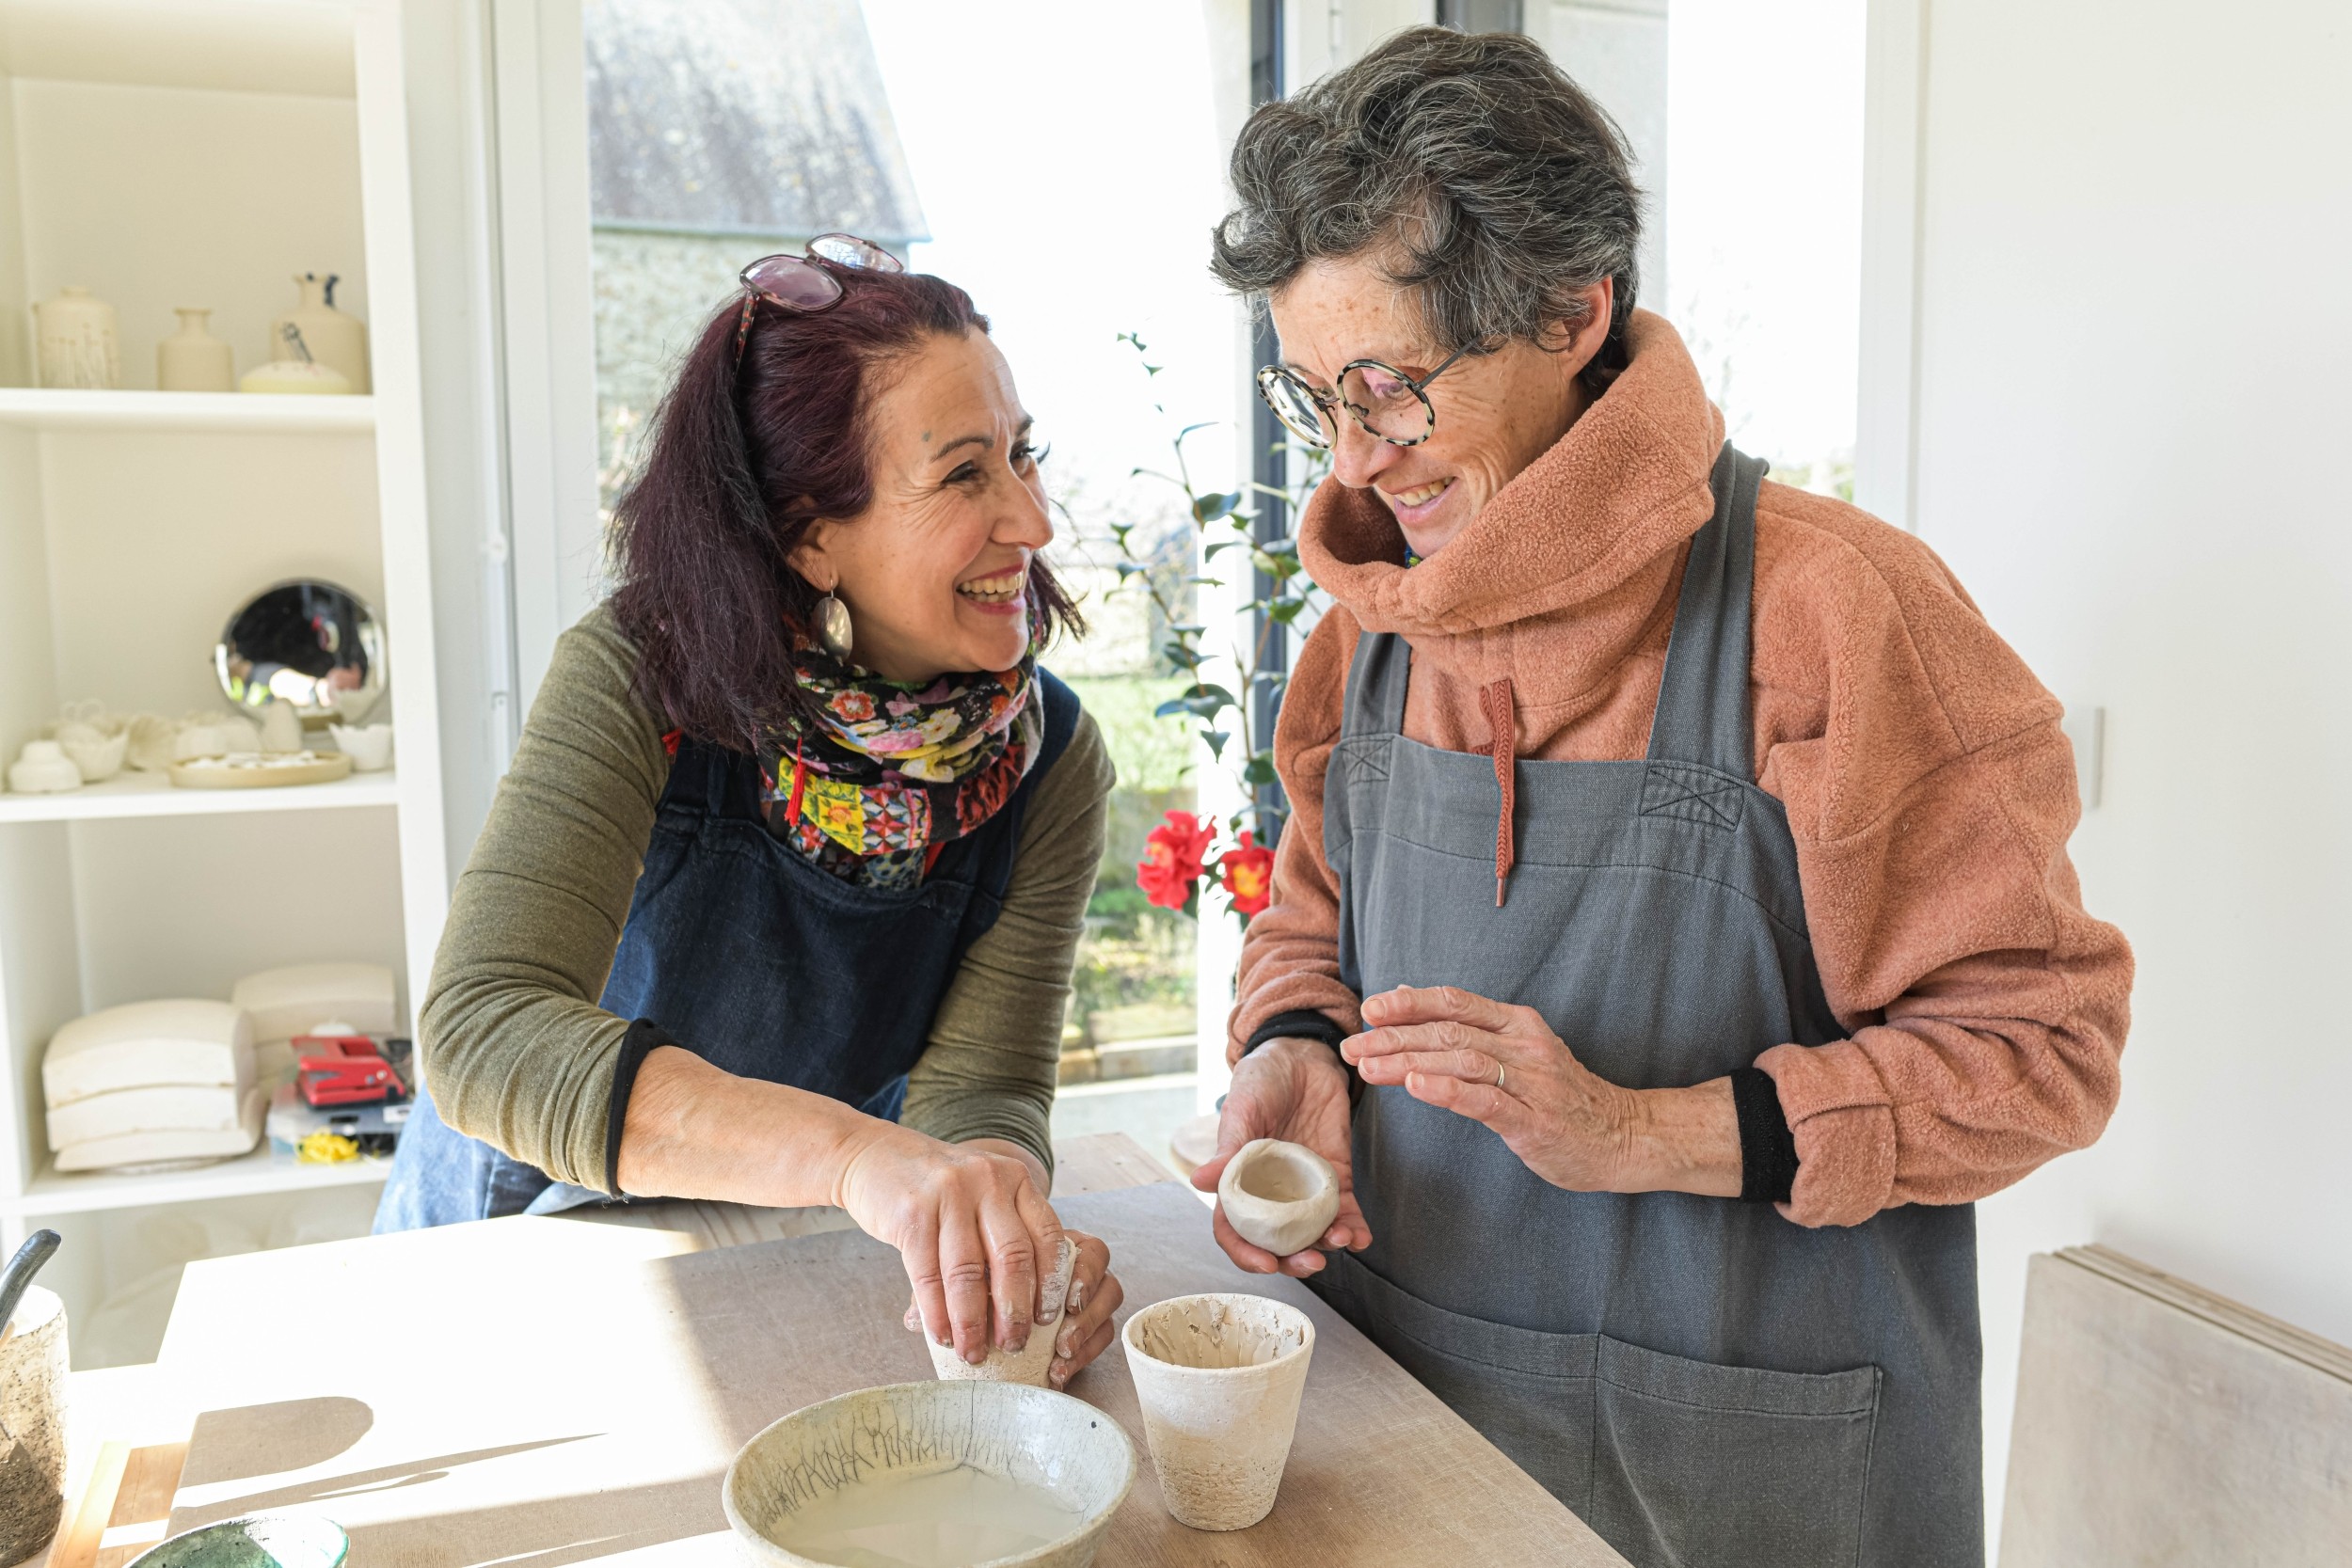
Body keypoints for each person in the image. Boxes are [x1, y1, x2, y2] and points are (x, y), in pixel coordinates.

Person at [1195, 27, 2132, 1566]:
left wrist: (1653, 1130)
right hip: (1404, 1451)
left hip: (1751, 1491)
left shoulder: (1836, 615)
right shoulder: (1361, 632)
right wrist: (1294, 1047)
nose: (1357, 461)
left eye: (1391, 388)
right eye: (1315, 397)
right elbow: (1309, 927)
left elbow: (2045, 1051)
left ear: (1575, 310)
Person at [376, 241, 1125, 1387]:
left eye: (1022, 455)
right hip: (536, 1223)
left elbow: (984, 1089)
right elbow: (485, 1029)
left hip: (810, 1236)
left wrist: (992, 1232)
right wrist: (857, 1156)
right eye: (965, 473)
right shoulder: (639, 678)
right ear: (808, 534)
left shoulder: (1049, 759)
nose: (1033, 519)